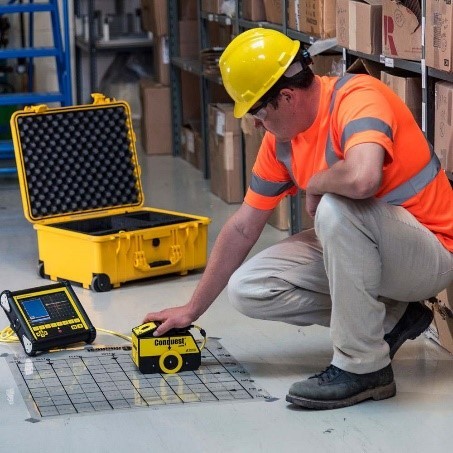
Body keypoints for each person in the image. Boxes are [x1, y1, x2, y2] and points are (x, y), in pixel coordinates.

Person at [143, 28, 453, 410]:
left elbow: (362, 176)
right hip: (374, 252)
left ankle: (363, 368)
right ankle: (394, 318)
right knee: (249, 288)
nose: (256, 123)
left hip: (430, 253)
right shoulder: (282, 143)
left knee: (335, 206)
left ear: (286, 97)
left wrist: (317, 185)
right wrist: (191, 308)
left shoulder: (357, 98)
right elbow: (243, 226)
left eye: (258, 111)